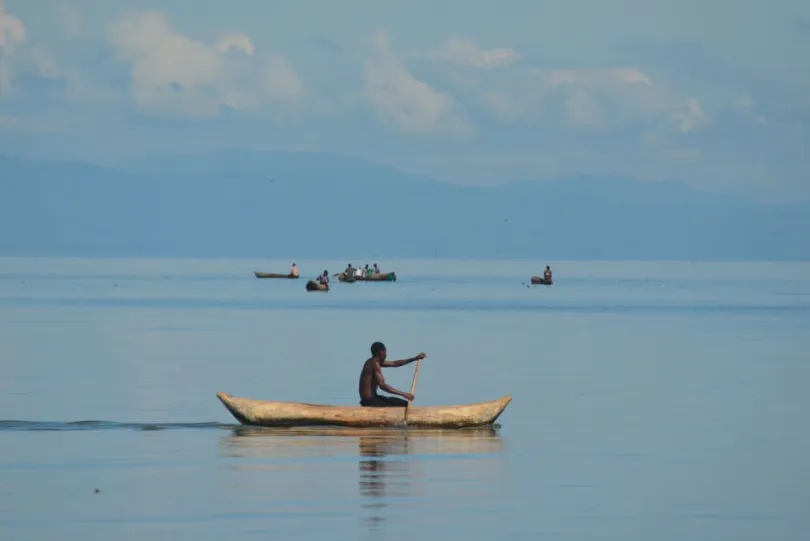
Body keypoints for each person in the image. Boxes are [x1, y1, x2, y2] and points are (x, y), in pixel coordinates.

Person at [358, 342, 426, 407]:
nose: (386, 355)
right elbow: (382, 385)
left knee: (402, 403)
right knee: (403, 405)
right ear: (380, 352)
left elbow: (395, 363)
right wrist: (404, 394)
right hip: (370, 401)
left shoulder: (374, 362)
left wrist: (415, 358)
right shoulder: (374, 363)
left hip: (373, 398)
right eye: (385, 352)